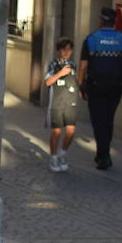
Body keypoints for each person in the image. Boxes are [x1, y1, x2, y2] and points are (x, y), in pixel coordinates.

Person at [78, 6, 122, 170]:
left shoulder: (91, 39)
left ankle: (103, 155)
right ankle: (103, 153)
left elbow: (83, 67)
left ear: (101, 20)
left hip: (95, 86)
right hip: (115, 87)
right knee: (108, 119)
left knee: (99, 121)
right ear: (114, 22)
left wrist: (80, 85)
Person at [43, 37, 78, 173]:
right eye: (64, 49)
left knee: (71, 132)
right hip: (56, 103)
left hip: (70, 102)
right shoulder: (53, 64)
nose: (66, 52)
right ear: (58, 51)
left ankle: (62, 154)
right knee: (56, 132)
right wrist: (60, 73)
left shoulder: (73, 65)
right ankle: (53, 158)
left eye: (69, 49)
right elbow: (47, 82)